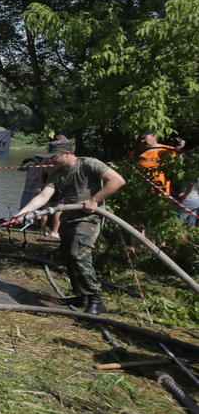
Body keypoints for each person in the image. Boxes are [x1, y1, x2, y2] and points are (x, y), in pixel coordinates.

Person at [14, 140, 126, 315]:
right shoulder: (55, 173)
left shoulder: (88, 163)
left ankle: (95, 299)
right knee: (67, 256)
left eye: (54, 157)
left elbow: (117, 180)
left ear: (67, 153)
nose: (51, 160)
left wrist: (94, 200)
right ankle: (81, 296)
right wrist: (23, 212)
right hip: (68, 217)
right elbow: (44, 196)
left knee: (78, 255)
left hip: (89, 218)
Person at [129, 130, 177, 195]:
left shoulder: (168, 150)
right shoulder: (135, 153)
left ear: (153, 136)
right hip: (141, 192)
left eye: (144, 138)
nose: (142, 141)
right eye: (140, 139)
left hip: (161, 191)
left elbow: (175, 170)